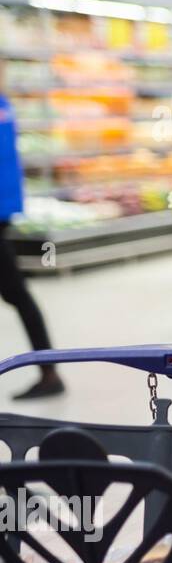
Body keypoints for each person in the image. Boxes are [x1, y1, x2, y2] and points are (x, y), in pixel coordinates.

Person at [0, 60, 64, 399]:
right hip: (4, 209)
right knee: (16, 293)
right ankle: (48, 370)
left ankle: (50, 372)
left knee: (17, 293)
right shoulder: (4, 105)